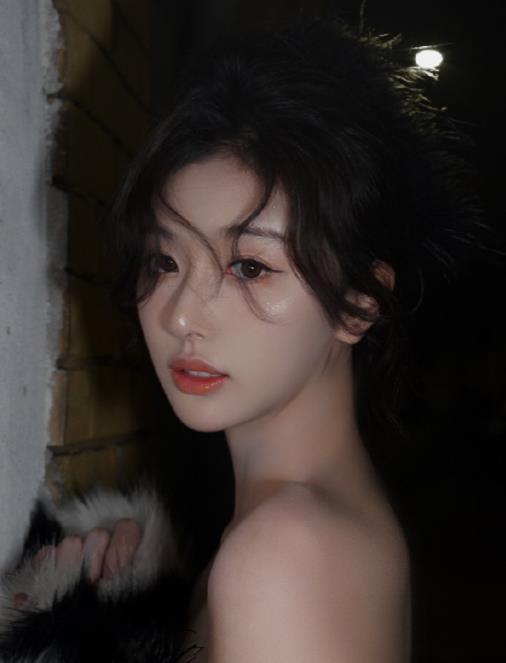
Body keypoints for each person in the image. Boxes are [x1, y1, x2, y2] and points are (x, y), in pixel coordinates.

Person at [0, 16, 480, 663]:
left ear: (361, 301)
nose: (179, 316)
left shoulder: (279, 558)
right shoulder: (304, 526)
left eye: (250, 267)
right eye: (165, 261)